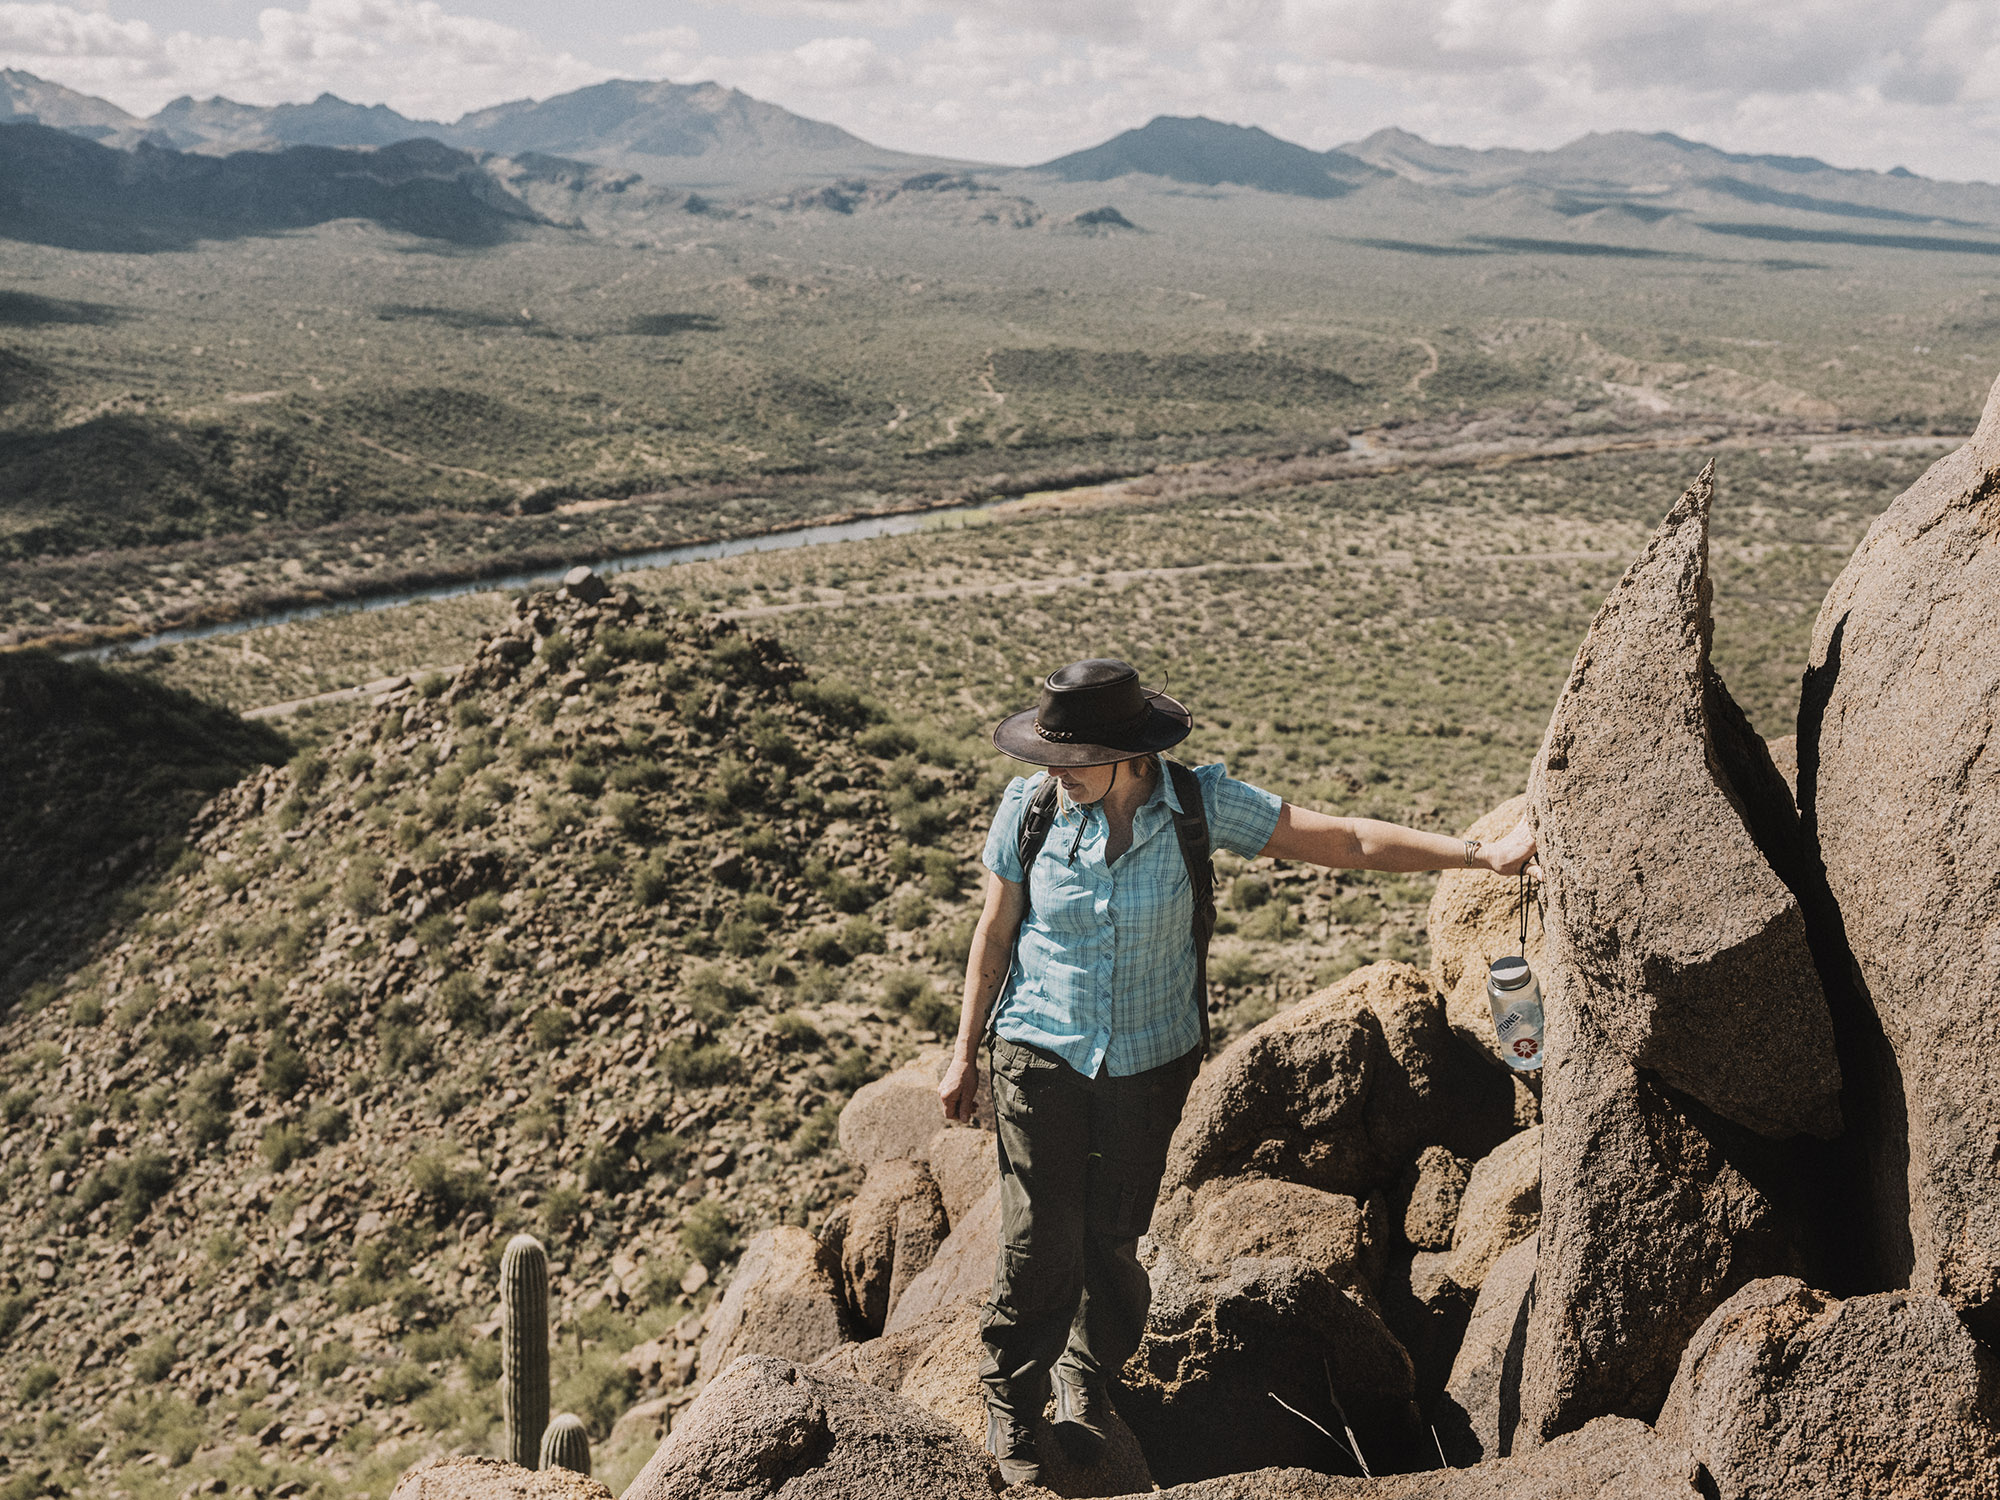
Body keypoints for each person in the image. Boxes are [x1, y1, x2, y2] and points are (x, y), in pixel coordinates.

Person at [937, 658, 1535, 1486]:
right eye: (1048, 757)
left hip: (1150, 1064)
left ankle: (1087, 1375)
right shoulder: (1030, 810)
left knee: (1113, 1237)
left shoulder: (1196, 803)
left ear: (1131, 755)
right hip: (1037, 1051)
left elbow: (1346, 839)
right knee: (1040, 1240)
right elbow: (994, 934)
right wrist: (963, 1051)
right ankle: (1012, 1402)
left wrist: (1482, 856)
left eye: (1073, 759)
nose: (1056, 774)